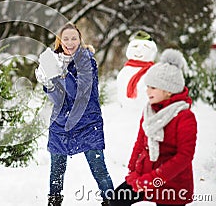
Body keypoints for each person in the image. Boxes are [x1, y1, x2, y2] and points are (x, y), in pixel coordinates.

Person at [35, 23, 114, 206]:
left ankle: (111, 202)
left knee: (99, 168)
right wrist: (48, 83)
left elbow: (80, 93)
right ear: (59, 41)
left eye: (74, 38)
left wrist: (61, 74)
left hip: (87, 122)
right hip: (61, 123)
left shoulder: (87, 61)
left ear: (80, 40)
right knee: (56, 170)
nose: (70, 42)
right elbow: (58, 99)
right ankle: (54, 202)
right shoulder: (54, 61)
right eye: (66, 39)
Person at [110, 49, 197, 206]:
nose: (147, 90)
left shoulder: (184, 117)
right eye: (148, 86)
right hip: (144, 177)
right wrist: (133, 171)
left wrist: (153, 180)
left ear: (168, 90)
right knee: (116, 200)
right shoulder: (150, 111)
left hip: (172, 184)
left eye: (153, 87)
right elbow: (140, 142)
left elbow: (184, 157)